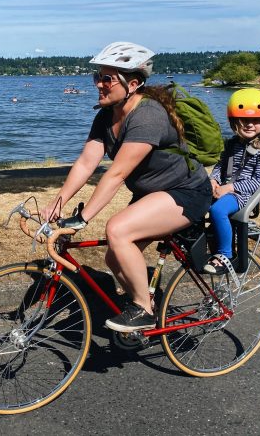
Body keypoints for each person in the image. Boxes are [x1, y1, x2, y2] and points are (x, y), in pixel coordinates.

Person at [40, 42, 212, 332]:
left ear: (132, 84)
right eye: (97, 77)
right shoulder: (106, 115)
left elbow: (117, 173)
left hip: (186, 192)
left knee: (117, 230)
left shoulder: (148, 115)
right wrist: (56, 204)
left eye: (107, 79)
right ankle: (146, 302)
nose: (99, 84)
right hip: (152, 193)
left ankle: (143, 309)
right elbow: (86, 162)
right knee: (113, 255)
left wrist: (82, 219)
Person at [204, 88, 260, 274]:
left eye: (255, 120)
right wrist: (213, 180)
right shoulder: (233, 144)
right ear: (234, 122)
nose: (249, 124)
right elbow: (221, 166)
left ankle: (225, 255)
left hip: (243, 195)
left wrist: (229, 187)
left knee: (218, 209)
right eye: (244, 120)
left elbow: (259, 181)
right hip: (225, 188)